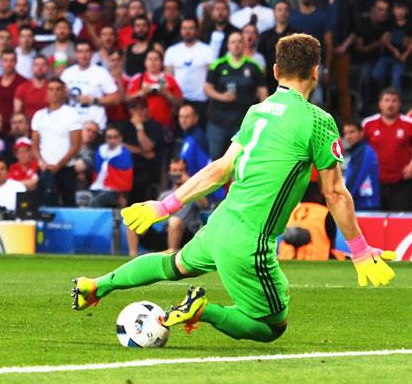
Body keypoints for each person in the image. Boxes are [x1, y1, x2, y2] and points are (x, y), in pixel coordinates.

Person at [72, 33, 396, 344]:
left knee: (173, 264)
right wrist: (360, 250)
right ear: (316, 72)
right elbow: (335, 192)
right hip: (250, 240)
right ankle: (203, 310)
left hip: (220, 222)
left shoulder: (258, 111)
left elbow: (219, 170)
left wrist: (164, 206)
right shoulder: (318, 120)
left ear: (275, 71)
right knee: (271, 326)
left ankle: (97, 285)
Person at [204, 32, 267, 160]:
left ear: (244, 44)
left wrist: (262, 115)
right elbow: (207, 88)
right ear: (228, 45)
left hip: (243, 122)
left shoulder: (254, 66)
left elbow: (263, 92)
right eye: (233, 42)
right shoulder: (218, 65)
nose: (236, 45)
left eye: (239, 41)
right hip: (218, 121)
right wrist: (222, 96)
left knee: (242, 159)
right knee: (216, 158)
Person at [126, 158, 207, 257]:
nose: (177, 174)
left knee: (175, 221)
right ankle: (132, 255)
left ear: (186, 172)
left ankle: (172, 251)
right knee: (133, 221)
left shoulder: (193, 192)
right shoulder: (165, 195)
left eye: (181, 170)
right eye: (174, 171)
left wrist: (189, 182)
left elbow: (204, 204)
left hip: (187, 234)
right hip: (167, 232)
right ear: (169, 173)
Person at [31, 78, 81, 207]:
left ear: (64, 92)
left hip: (66, 168)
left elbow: (76, 145)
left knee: (68, 205)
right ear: (47, 92)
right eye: (51, 89)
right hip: (44, 168)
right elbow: (35, 144)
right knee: (44, 205)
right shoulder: (39, 115)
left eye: (58, 89)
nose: (55, 92)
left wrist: (59, 165)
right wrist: (41, 162)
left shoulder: (72, 114)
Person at [362, 88, 412, 211]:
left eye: (394, 101)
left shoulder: (409, 124)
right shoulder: (368, 124)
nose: (390, 104)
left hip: (402, 183)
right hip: (375, 182)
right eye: (387, 100)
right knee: (375, 220)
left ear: (399, 104)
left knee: (401, 221)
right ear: (380, 104)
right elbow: (360, 149)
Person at [60, 41, 120, 130]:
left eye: (87, 51)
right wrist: (64, 95)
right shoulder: (67, 73)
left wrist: (93, 100)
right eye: (80, 52)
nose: (84, 55)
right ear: (76, 54)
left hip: (95, 127)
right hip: (72, 126)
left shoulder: (101, 72)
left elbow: (116, 98)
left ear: (92, 54)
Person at [164, 18, 213, 123]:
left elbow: (211, 78)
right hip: (178, 100)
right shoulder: (171, 51)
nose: (187, 31)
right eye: (184, 28)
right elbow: (168, 77)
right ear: (180, 30)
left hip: (200, 100)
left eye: (191, 28)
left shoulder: (207, 50)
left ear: (196, 30)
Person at [343, 122, 380, 210]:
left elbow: (355, 179)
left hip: (366, 204)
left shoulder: (363, 152)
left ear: (361, 133)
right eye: (346, 133)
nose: (348, 136)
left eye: (352, 132)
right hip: (361, 203)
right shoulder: (355, 152)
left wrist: (343, 199)